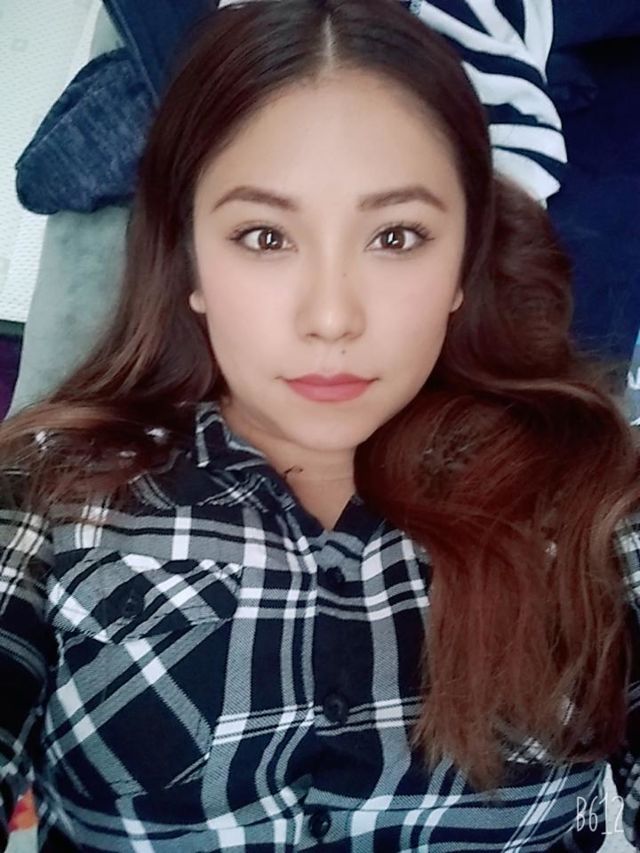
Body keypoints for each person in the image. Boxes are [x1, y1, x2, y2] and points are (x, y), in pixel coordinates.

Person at [0, 0, 638, 850]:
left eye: (397, 236)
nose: (332, 316)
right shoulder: (48, 486)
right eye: (265, 236)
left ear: (465, 264)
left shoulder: (592, 495)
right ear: (191, 262)